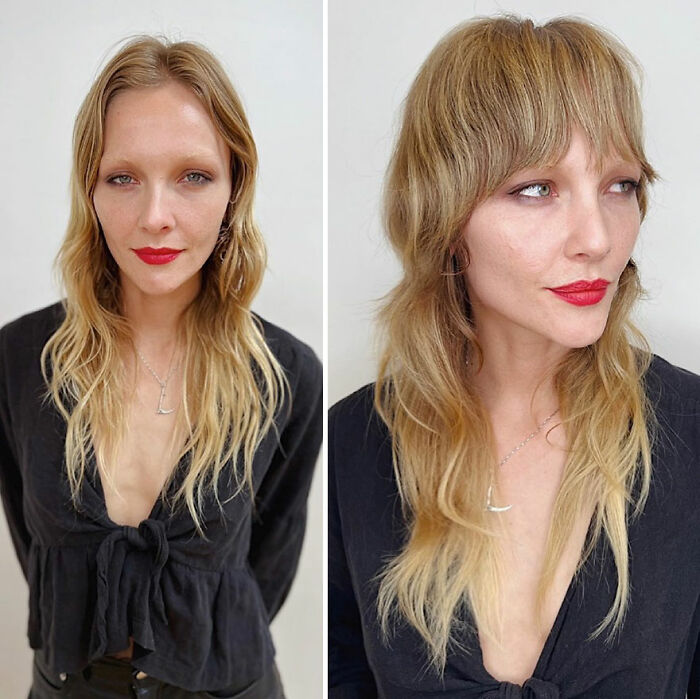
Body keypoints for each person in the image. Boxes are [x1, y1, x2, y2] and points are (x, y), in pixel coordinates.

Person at [329, 15, 700, 698]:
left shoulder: (692, 430)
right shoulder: (352, 447)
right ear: (444, 216)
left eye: (620, 184)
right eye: (536, 189)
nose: (597, 238)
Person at [0, 36, 322, 698]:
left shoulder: (287, 375)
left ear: (234, 188)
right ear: (89, 190)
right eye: (122, 178)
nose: (154, 218)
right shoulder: (19, 358)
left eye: (193, 177)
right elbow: (39, 552)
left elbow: (267, 566)